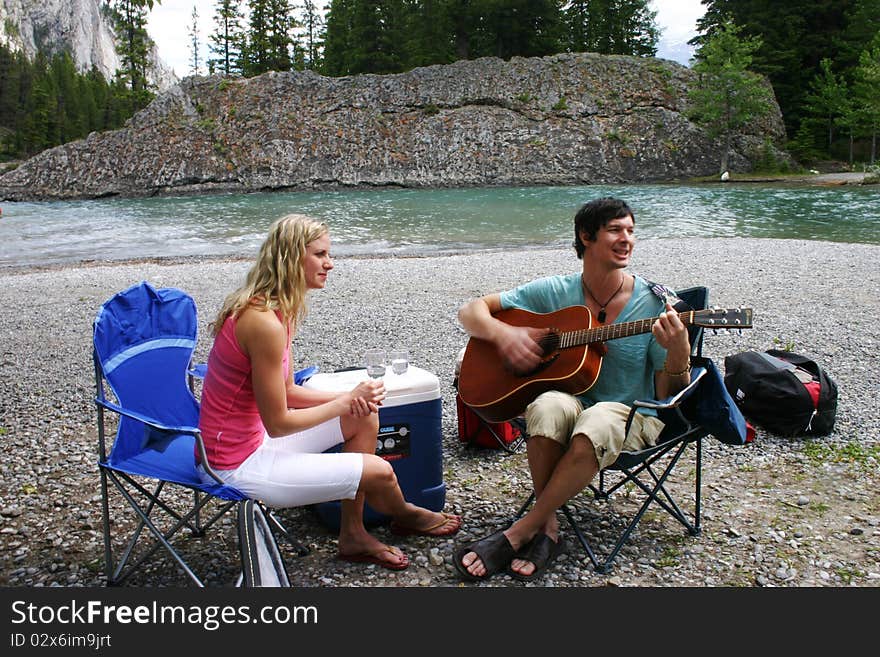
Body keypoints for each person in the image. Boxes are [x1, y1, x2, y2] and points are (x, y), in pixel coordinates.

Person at [198, 213, 461, 571]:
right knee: (380, 472)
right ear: (292, 257)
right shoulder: (262, 323)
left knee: (363, 413)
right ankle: (407, 514)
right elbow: (278, 422)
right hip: (233, 465)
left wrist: (353, 400)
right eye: (320, 254)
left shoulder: (275, 310)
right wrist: (339, 401)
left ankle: (352, 534)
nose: (330, 264)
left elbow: (287, 391)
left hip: (252, 440)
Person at [454, 197, 691, 582]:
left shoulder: (654, 303)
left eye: (631, 231)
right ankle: (547, 526)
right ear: (586, 236)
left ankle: (521, 530)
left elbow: (668, 392)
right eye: (615, 230)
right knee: (546, 405)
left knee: (595, 420)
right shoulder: (556, 291)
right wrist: (506, 335)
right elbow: (471, 310)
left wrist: (678, 351)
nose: (626, 239)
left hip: (630, 414)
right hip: (572, 401)